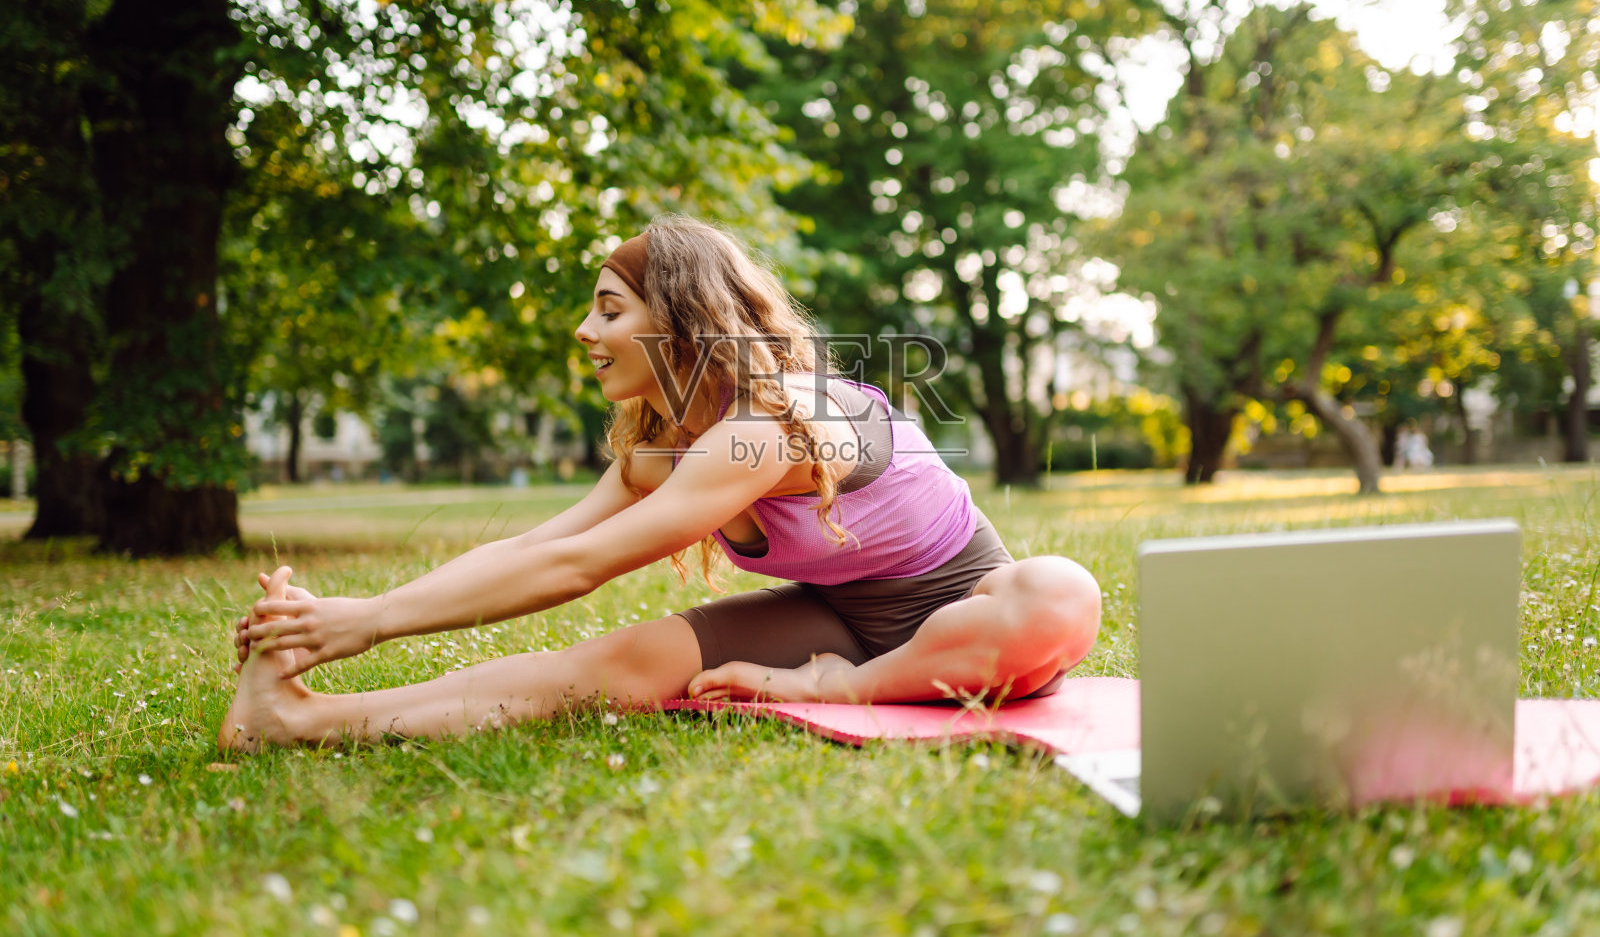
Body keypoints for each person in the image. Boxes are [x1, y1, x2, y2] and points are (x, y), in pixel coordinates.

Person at [219, 216, 1102, 751]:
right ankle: (291, 719)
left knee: (1062, 592)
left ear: (682, 323)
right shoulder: (664, 449)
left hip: (969, 625)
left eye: (610, 309)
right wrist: (352, 617)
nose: (583, 330)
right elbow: (542, 549)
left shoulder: (769, 425)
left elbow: (577, 569)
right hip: (837, 621)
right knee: (622, 664)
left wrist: (368, 622)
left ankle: (839, 688)